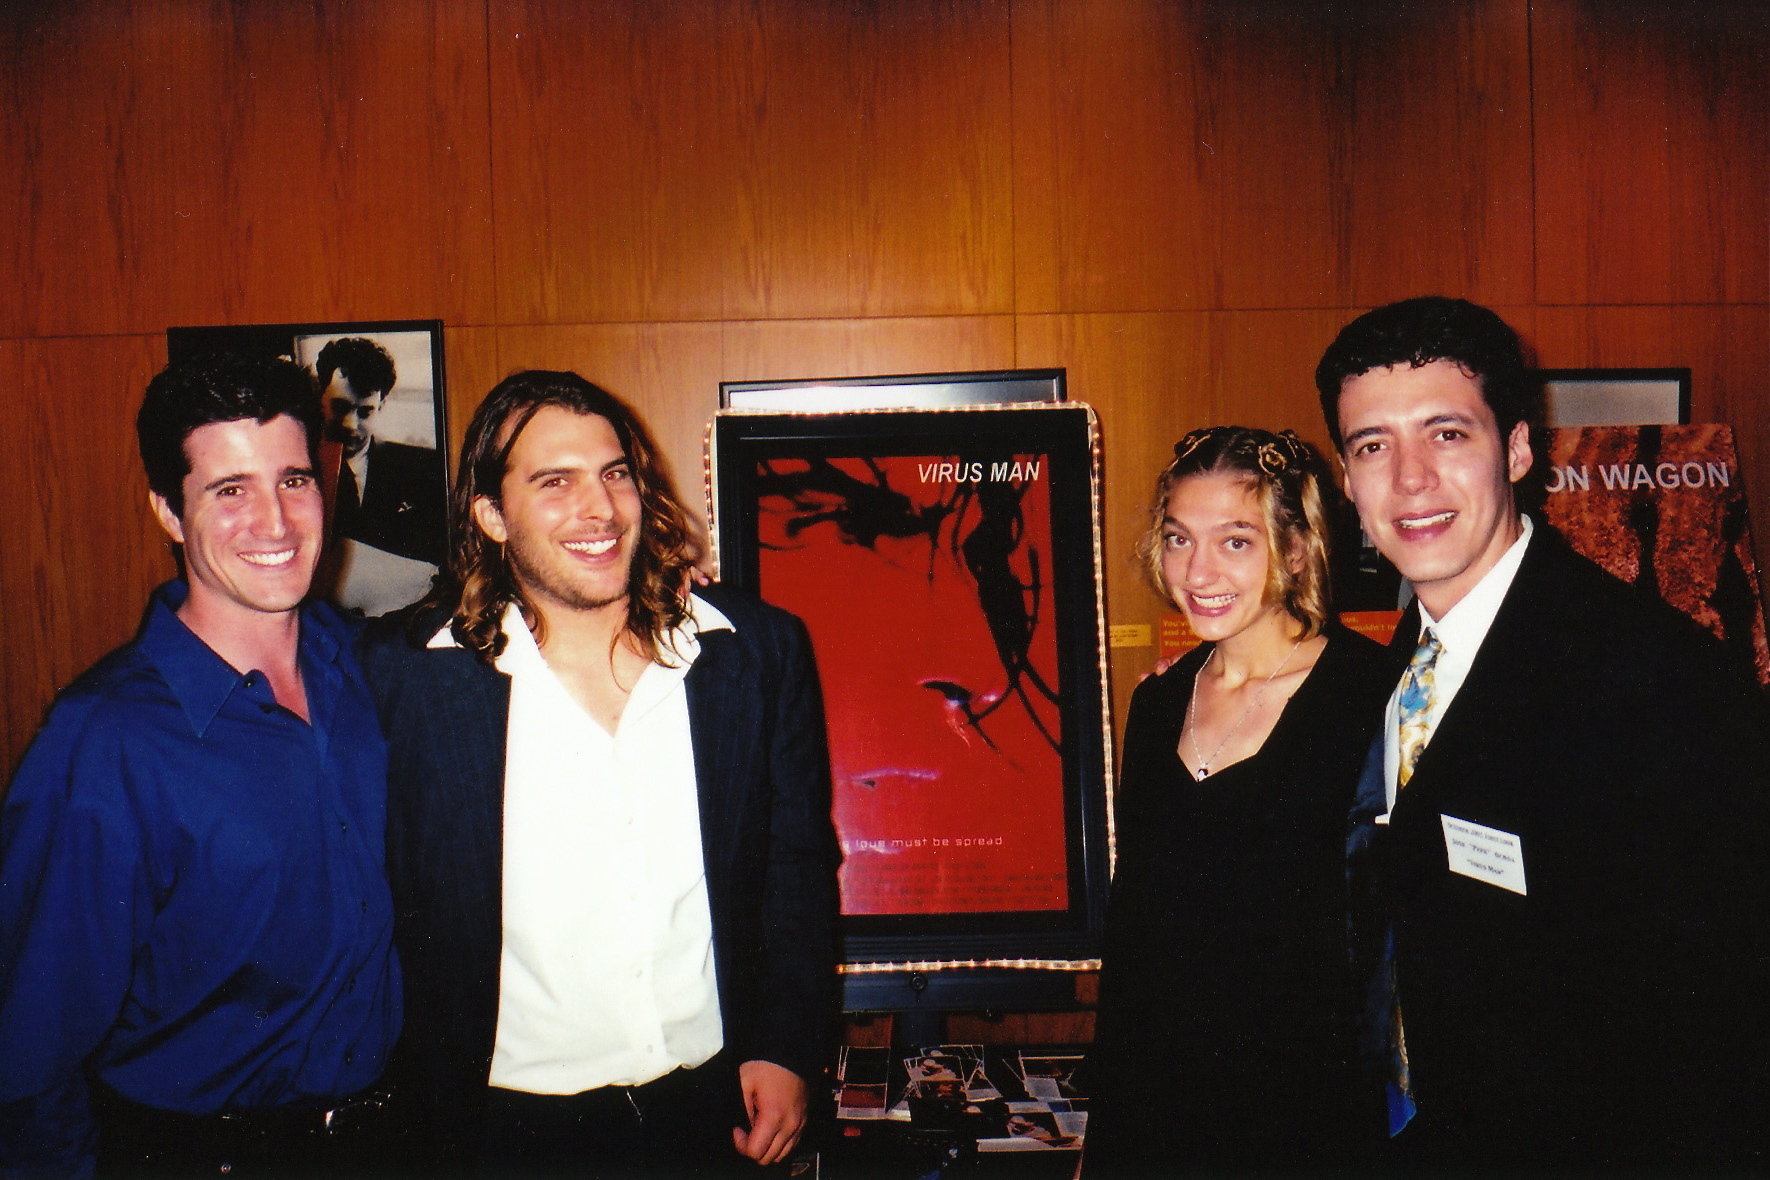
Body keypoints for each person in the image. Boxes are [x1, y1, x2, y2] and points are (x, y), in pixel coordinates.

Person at [1319, 295, 1770, 1166]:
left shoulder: (1655, 678)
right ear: (1347, 479)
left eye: (1447, 434)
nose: (1410, 478)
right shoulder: (1395, 666)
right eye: (1373, 446)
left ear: (1518, 448)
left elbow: (1719, 1022)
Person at [359, 370, 840, 1176]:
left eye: (616, 474)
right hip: (500, 1132)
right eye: (556, 482)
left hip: (711, 1115)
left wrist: (786, 1048)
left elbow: (795, 868)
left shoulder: (751, 653)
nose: (601, 509)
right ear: (491, 516)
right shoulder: (403, 678)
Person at [0, 353, 401, 1177]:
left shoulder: (369, 670)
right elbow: (28, 1054)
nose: (276, 523)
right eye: (230, 491)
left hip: (391, 1140)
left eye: (293, 480)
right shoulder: (102, 740)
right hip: (203, 1154)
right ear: (168, 512)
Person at [1083, 426, 1394, 1174]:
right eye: (1179, 538)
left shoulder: (1372, 697)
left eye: (1234, 541)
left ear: (1294, 549)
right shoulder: (1158, 703)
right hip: (1158, 1116)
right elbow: (1135, 942)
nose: (1198, 570)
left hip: (1306, 1119)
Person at [316, 336, 446, 615]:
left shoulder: (425, 467)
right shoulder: (296, 471)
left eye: (365, 412)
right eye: (339, 407)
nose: (351, 425)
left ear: (383, 404)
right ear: (319, 396)